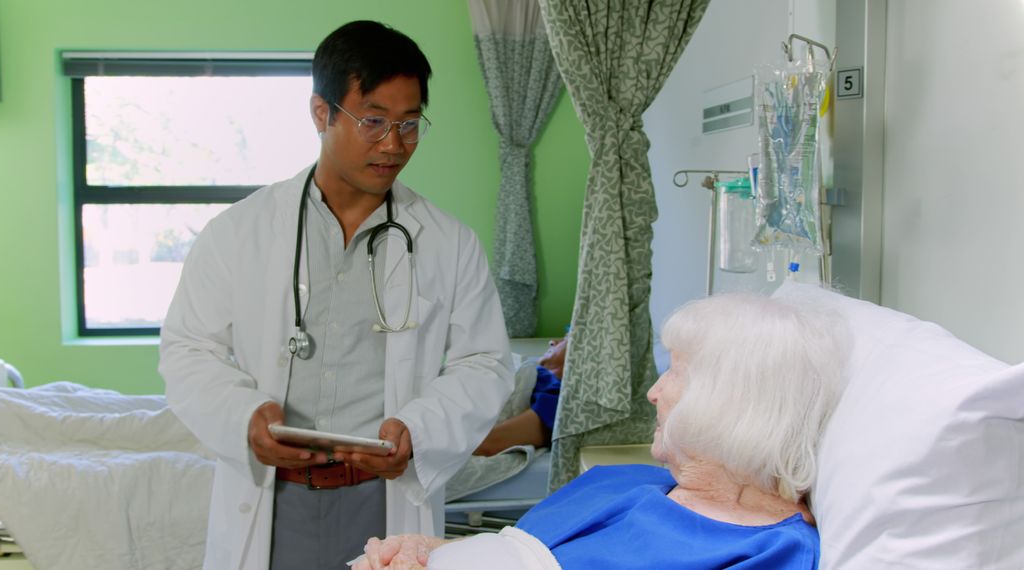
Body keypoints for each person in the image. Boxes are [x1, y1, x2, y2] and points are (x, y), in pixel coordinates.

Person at [159, 20, 514, 570]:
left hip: (385, 499)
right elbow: (187, 348)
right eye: (373, 121)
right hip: (274, 499)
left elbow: (485, 361)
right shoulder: (240, 231)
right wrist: (244, 416)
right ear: (321, 113)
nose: (394, 144)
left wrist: (420, 429)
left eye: (410, 124)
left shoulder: (448, 243)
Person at [352, 293, 851, 570]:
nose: (653, 393)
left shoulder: (769, 551)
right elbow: (514, 547)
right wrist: (424, 551)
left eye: (674, 373)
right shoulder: (619, 480)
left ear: (729, 400)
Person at [473, 334, 566, 456]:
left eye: (566, 339)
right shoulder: (532, 371)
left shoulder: (558, 399)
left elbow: (491, 443)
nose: (552, 342)